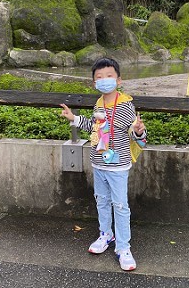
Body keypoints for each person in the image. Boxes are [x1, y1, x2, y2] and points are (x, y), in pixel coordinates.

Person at [60, 57, 147, 271]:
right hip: (99, 163)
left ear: (118, 80)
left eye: (109, 76)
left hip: (118, 166)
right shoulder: (99, 104)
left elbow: (133, 131)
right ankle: (106, 234)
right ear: (94, 83)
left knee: (120, 206)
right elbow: (94, 127)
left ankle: (123, 247)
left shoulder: (125, 105)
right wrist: (73, 118)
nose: (104, 80)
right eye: (99, 77)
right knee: (102, 201)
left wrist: (138, 131)